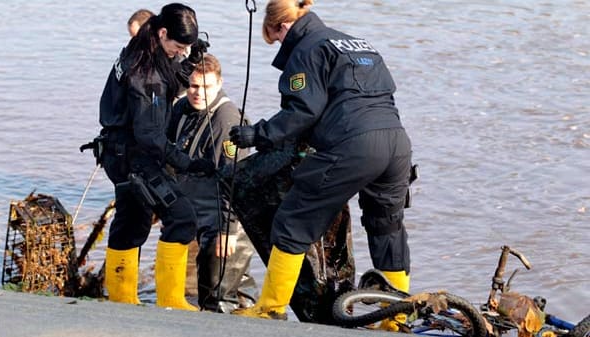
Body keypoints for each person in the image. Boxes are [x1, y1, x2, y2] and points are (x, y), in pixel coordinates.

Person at [229, 0, 413, 323]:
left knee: (292, 221)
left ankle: (270, 308)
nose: (278, 45)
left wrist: (256, 135)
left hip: (355, 145)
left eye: (274, 39)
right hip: (397, 143)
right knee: (387, 228)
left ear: (283, 27)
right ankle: (395, 319)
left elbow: (302, 112)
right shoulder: (357, 43)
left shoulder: (306, 49)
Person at [99, 3, 214, 311]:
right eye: (178, 47)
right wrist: (186, 162)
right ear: (163, 33)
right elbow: (150, 134)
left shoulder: (145, 43)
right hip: (132, 155)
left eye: (186, 48)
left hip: (120, 149)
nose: (181, 53)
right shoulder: (145, 70)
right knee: (181, 216)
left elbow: (169, 81)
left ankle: (122, 302)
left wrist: (189, 63)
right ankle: (171, 301)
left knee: (131, 223)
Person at [169, 53, 255, 313]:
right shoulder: (182, 109)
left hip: (227, 215)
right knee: (230, 290)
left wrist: (227, 230)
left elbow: (233, 179)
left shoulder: (226, 119)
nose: (198, 93)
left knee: (218, 299)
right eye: (194, 86)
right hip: (197, 207)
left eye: (206, 87)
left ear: (219, 84)